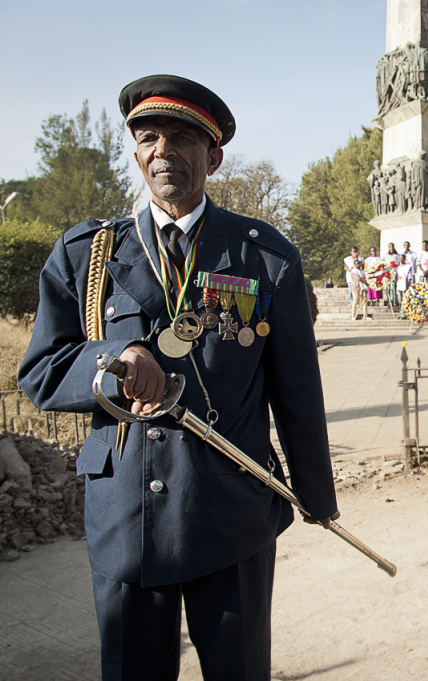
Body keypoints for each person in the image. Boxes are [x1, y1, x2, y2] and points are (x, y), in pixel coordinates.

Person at [18, 75, 339, 680]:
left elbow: (296, 388)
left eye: (184, 138)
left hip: (232, 509)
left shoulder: (263, 255)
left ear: (213, 157)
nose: (164, 150)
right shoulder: (85, 256)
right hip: (125, 514)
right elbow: (40, 370)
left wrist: (316, 494)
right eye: (149, 136)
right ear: (135, 152)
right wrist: (113, 364)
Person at [385, 242, 401, 308]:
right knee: (388, 288)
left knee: (394, 288)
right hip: (388, 273)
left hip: (394, 273)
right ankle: (389, 301)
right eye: (390, 247)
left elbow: (399, 264)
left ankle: (394, 301)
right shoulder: (386, 255)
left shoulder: (397, 255)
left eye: (392, 247)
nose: (391, 248)